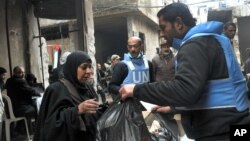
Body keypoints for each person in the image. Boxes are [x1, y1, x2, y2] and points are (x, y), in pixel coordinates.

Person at [119, 3, 250, 141]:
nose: (162, 34)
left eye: (163, 28)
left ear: (179, 23)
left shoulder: (194, 44)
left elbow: (186, 89)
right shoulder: (211, 40)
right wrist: (173, 107)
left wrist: (136, 89)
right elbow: (206, 89)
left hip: (221, 131)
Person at [33, 51, 104, 141]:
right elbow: (51, 125)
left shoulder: (88, 88)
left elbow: (95, 114)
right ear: (72, 67)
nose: (89, 71)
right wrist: (78, 110)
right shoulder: (56, 90)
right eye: (84, 67)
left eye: (90, 67)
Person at [5, 66, 41, 134]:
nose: (22, 74)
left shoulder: (9, 80)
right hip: (20, 110)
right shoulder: (20, 81)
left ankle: (21, 128)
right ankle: (36, 129)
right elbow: (31, 91)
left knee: (32, 105)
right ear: (14, 73)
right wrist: (40, 94)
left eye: (23, 72)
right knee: (39, 108)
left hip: (11, 109)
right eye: (20, 72)